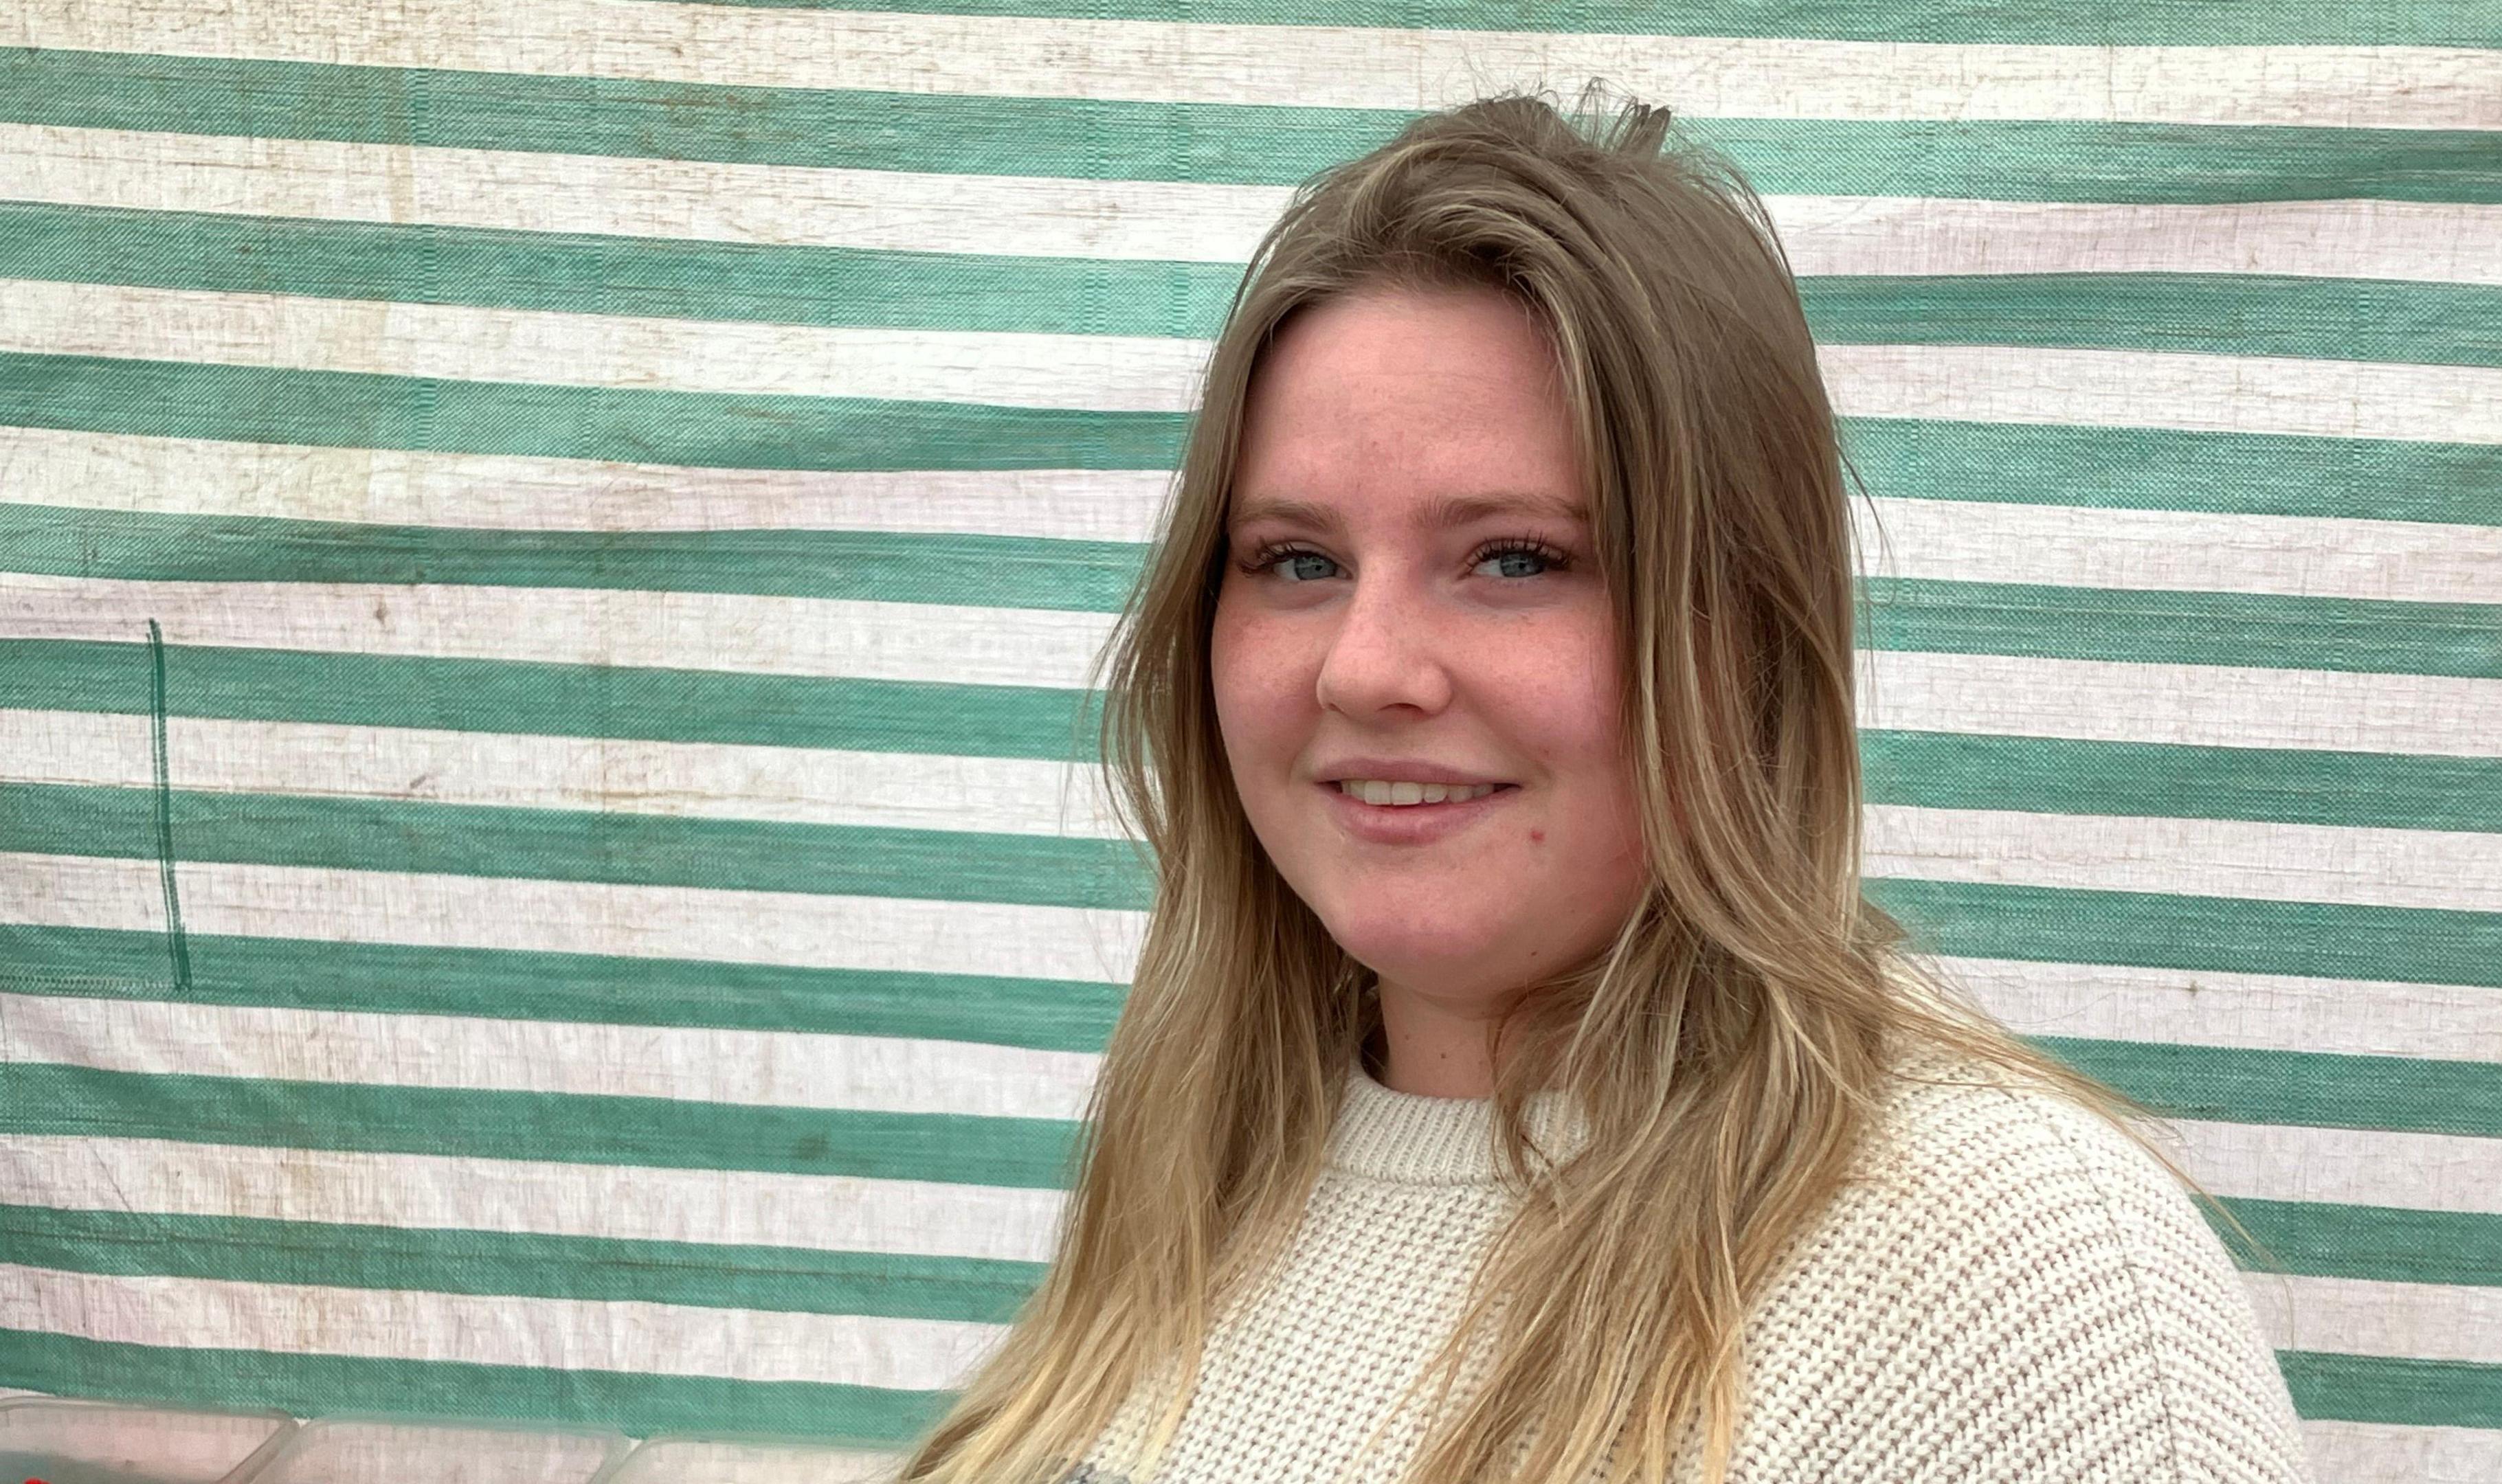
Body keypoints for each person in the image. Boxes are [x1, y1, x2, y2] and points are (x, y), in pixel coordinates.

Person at [890, 85, 2315, 1484]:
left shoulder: (2021, 1284)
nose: (1364, 668)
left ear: (1746, 632)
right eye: (1296, 561)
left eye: (1516, 558)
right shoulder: (1200, 1165)